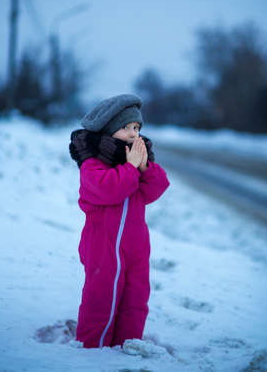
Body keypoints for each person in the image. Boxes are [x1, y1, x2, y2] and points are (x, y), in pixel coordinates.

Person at [69, 93, 170, 348]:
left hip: (136, 246)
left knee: (136, 296)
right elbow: (109, 190)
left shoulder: (135, 165)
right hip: (103, 246)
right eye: (126, 128)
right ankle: (94, 345)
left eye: (137, 127)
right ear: (108, 130)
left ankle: (128, 342)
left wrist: (145, 168)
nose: (134, 133)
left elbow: (153, 191)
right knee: (102, 295)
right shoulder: (92, 165)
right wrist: (130, 168)